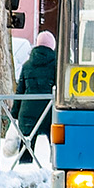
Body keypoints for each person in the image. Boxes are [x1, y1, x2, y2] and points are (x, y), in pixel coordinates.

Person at [12, 31, 57, 164]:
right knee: (56, 144)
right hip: (50, 111)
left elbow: (20, 91)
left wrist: (14, 113)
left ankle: (24, 168)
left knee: (26, 143)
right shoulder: (57, 65)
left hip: (28, 110)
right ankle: (55, 165)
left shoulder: (27, 65)